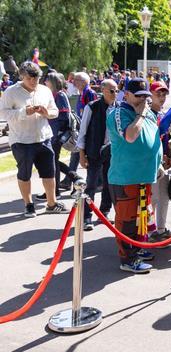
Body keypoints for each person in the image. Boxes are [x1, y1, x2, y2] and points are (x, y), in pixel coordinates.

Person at [106, 78, 162, 273]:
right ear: (127, 95)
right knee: (127, 220)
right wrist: (139, 116)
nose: (143, 101)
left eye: (146, 96)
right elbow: (130, 136)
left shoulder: (148, 114)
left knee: (142, 217)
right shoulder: (119, 113)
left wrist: (160, 161)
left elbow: (155, 137)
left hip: (144, 176)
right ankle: (127, 258)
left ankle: (138, 249)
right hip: (125, 177)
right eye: (138, 97)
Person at [0, 61, 69, 217]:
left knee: (49, 173)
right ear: (22, 77)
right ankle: (28, 204)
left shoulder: (45, 90)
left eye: (36, 79)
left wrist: (46, 113)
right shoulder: (11, 92)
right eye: (30, 79)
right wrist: (24, 112)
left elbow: (55, 111)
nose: (34, 82)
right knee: (25, 174)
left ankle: (51, 204)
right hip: (22, 140)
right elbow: (3, 114)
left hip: (44, 137)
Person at [77, 79, 119, 230]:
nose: (115, 94)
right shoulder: (92, 107)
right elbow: (82, 132)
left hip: (112, 152)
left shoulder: (119, 108)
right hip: (94, 151)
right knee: (92, 184)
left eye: (117, 91)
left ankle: (104, 212)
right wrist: (82, 154)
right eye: (112, 91)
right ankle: (87, 216)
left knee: (109, 184)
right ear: (103, 91)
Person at [43, 72, 82, 198]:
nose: (45, 82)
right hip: (52, 133)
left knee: (52, 161)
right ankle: (74, 179)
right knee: (52, 160)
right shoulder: (53, 95)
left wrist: (58, 133)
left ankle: (55, 192)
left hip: (57, 135)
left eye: (47, 80)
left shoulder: (60, 95)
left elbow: (64, 116)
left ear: (53, 82)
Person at [148, 81, 171, 240]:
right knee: (153, 199)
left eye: (164, 94)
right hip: (151, 164)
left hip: (163, 162)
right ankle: (150, 231)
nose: (162, 97)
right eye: (158, 93)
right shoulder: (147, 114)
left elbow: (164, 140)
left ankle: (161, 228)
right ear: (150, 94)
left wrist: (168, 156)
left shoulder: (162, 115)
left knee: (164, 196)